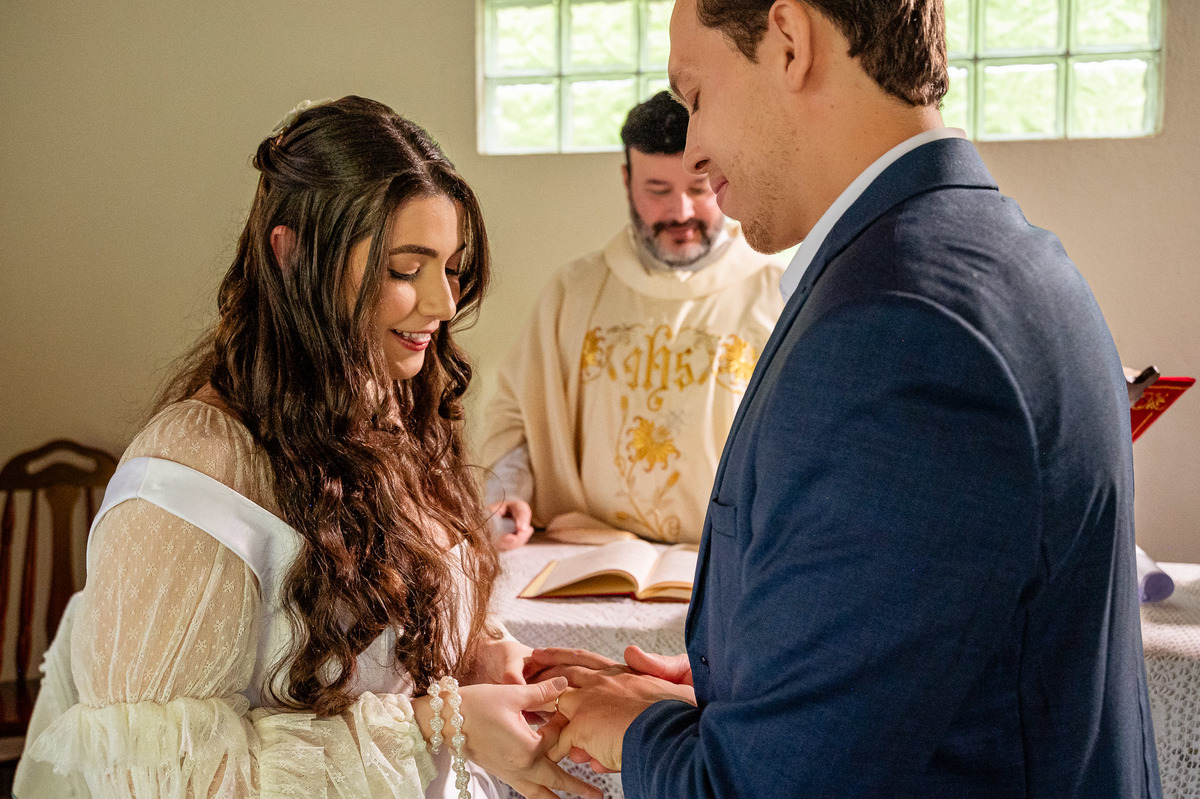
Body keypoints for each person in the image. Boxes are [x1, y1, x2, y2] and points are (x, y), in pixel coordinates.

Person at [532, 1, 1164, 796]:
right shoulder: (1001, 252)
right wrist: (748, 701)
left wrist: (640, 728)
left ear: (790, 44)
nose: (694, 150)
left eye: (695, 97)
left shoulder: (894, 332)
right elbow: (947, 660)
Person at [13, 96, 602, 799]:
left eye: (450, 267)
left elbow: (383, 638)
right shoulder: (192, 469)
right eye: (405, 268)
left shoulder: (385, 413)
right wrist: (439, 726)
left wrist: (475, 656)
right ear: (292, 253)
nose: (443, 304)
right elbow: (157, 780)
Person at [480, 91, 785, 550]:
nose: (680, 213)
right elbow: (517, 413)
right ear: (627, 181)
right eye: (658, 191)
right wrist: (507, 495)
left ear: (722, 177)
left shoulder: (775, 294)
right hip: (588, 550)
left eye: (698, 190)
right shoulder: (575, 291)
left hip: (725, 556)